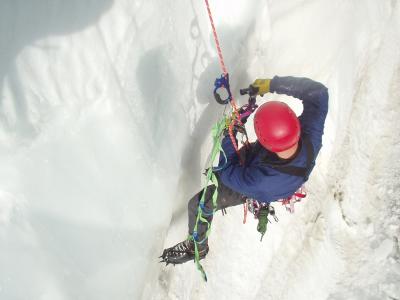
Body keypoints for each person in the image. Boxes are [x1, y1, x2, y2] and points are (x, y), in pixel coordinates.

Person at [160, 76, 329, 265]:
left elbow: (226, 170)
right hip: (285, 173)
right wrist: (273, 84)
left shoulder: (258, 182)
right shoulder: (310, 133)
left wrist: (230, 134)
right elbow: (319, 93)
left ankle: (197, 247)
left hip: (265, 186)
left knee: (199, 204)